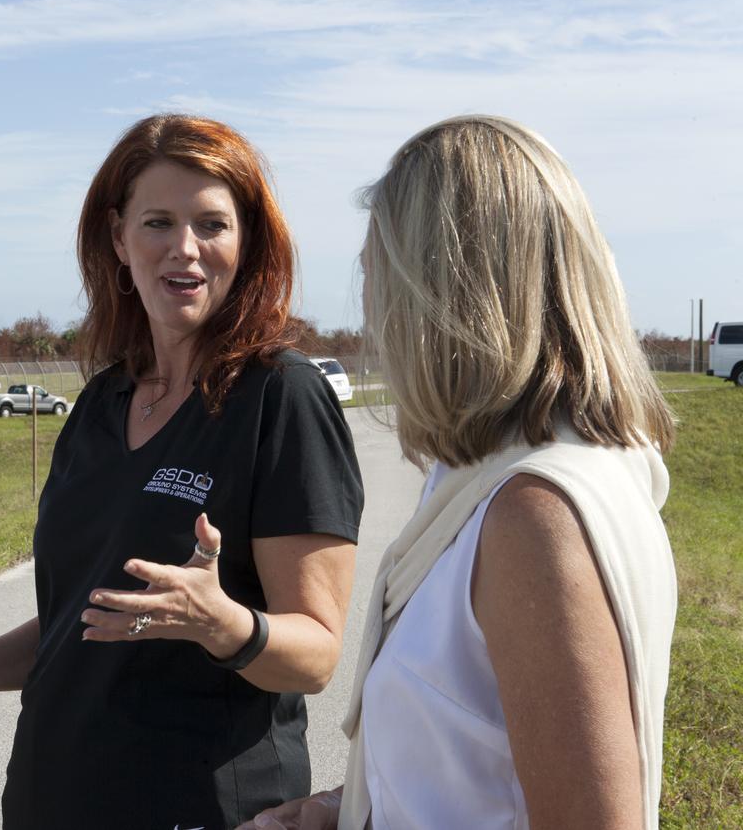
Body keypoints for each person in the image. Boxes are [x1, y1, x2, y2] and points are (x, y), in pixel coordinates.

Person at [0, 114, 365, 829]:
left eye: (212, 224)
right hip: (51, 797)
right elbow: (84, 618)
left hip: (200, 806)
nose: (185, 248)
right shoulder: (106, 398)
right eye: (158, 221)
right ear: (118, 237)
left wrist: (221, 623)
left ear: (247, 242)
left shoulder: (280, 397)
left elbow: (314, 654)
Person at [242, 115, 678, 830]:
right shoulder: (484, 479)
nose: (374, 321)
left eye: (378, 278)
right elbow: (477, 769)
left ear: (443, 296)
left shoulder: (537, 516)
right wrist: (342, 809)